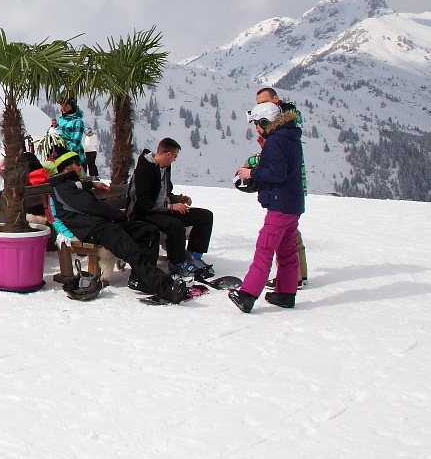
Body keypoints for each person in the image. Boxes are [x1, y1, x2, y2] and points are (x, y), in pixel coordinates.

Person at [48, 151, 188, 304]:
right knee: (130, 250)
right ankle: (166, 287)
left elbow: (80, 187)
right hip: (92, 229)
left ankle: (139, 280)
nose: (81, 167)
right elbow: (89, 206)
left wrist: (92, 184)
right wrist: (119, 215)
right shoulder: (62, 188)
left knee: (149, 232)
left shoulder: (71, 183)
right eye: (78, 164)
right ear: (68, 167)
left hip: (104, 224)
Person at [230, 101, 304, 312]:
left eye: (257, 123)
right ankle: (286, 294)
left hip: (280, 205)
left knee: (265, 249)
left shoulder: (276, 141)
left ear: (266, 121)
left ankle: (247, 295)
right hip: (293, 204)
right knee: (287, 251)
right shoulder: (289, 136)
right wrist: (266, 148)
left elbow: (277, 173)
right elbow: (284, 165)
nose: (256, 128)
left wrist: (250, 173)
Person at [127, 137, 215, 278]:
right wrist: (170, 206)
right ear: (168, 154)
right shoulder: (144, 170)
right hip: (143, 214)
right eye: (174, 156)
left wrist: (177, 199)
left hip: (162, 209)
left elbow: (163, 193)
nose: (174, 160)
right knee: (175, 225)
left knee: (205, 216)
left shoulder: (165, 168)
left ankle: (194, 256)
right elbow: (143, 202)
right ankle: (177, 264)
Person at [255, 86, 308, 287]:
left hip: (288, 186)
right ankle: (296, 276)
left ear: (275, 99)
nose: (261, 107)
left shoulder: (285, 120)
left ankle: (294, 277)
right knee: (291, 232)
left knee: (286, 234)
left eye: (264, 102)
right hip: (292, 184)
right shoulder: (287, 123)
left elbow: (280, 165)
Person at [55, 96, 86, 162]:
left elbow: (75, 143)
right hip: (63, 157)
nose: (63, 108)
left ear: (72, 105)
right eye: (61, 105)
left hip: (75, 159)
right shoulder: (60, 119)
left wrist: (62, 147)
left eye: (66, 105)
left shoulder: (77, 121)